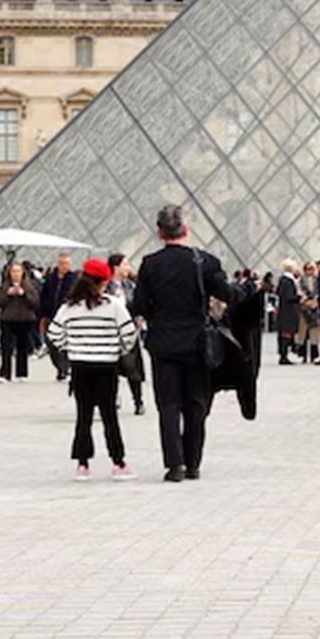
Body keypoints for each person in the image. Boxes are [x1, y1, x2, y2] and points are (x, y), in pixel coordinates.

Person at [130, 205, 233, 482]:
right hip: (197, 343)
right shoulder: (205, 261)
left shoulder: (150, 264)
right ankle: (193, 463)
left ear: (159, 232)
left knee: (169, 405)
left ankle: (174, 465)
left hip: (163, 344)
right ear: (185, 230)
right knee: (196, 404)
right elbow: (226, 294)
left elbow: (139, 306)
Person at [47, 257, 139, 481]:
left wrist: (71, 348)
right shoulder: (113, 305)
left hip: (80, 366)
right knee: (110, 416)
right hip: (106, 365)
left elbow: (53, 334)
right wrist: (118, 349)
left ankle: (82, 464)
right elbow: (129, 334)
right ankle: (118, 462)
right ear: (104, 281)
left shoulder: (69, 307)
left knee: (83, 416)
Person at [105, 253, 146, 415]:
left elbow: (137, 305)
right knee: (111, 369)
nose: (128, 268)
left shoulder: (130, 286)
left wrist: (139, 317)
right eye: (125, 264)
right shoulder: (106, 286)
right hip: (110, 333)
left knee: (132, 369)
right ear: (116, 267)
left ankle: (138, 401)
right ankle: (113, 397)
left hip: (128, 333)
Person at [0, 261, 38, 382]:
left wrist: (24, 294)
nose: (16, 274)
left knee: (22, 347)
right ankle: (5, 374)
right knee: (6, 348)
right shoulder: (4, 286)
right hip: (8, 319)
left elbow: (35, 302)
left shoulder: (29, 286)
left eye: (18, 271)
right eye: (13, 271)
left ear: (23, 272)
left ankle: (21, 373)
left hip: (25, 319)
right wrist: (8, 294)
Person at [37, 253, 78, 381]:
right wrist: (42, 314)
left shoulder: (74, 279)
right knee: (52, 344)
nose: (64, 266)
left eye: (66, 263)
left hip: (67, 316)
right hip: (51, 315)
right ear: (58, 264)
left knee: (65, 344)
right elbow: (44, 296)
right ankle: (60, 367)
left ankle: (64, 369)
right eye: (62, 263)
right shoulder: (50, 278)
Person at [274, 261, 302, 365]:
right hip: (289, 311)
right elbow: (289, 297)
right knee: (287, 333)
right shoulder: (289, 281)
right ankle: (284, 356)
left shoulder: (282, 280)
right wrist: (298, 297)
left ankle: (283, 354)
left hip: (283, 310)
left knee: (283, 333)